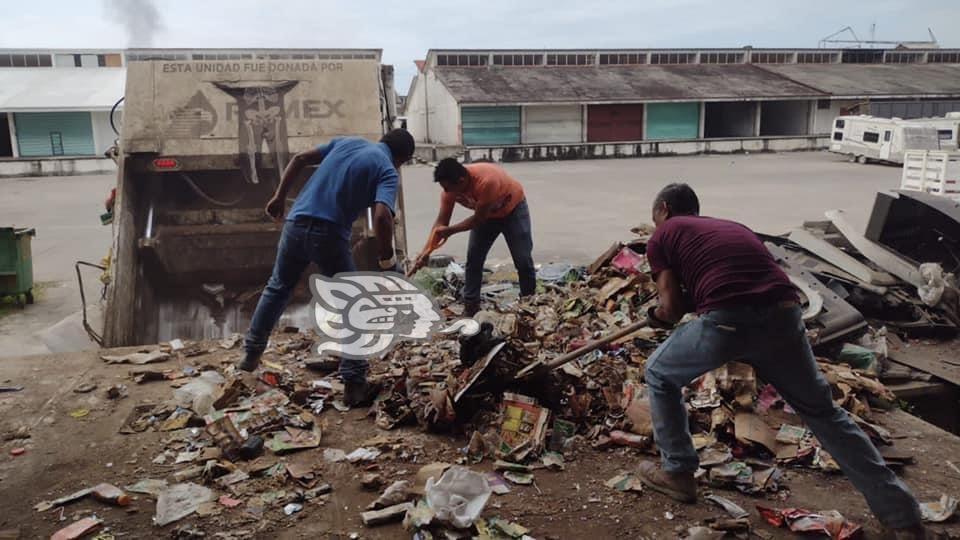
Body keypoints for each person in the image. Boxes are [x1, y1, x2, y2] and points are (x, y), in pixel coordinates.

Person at [637, 183, 925, 537]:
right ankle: (902, 516)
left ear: (664, 209)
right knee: (824, 413)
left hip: (729, 321)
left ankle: (678, 473)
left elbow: (672, 309)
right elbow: (741, 281)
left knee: (659, 373)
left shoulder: (664, 233)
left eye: (655, 219)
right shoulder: (733, 228)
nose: (655, 226)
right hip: (785, 316)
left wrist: (656, 314)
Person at [239, 129, 415, 406]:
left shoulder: (347, 142)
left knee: (277, 288)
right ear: (402, 159)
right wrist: (387, 262)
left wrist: (279, 197)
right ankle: (355, 384)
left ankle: (250, 357)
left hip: (295, 226)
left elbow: (299, 158)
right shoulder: (387, 169)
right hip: (329, 233)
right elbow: (382, 216)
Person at [414, 158, 535, 316]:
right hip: (487, 216)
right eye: (444, 188)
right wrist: (425, 253)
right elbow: (441, 223)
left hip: (513, 210)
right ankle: (471, 306)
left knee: (522, 259)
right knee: (474, 259)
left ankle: (529, 302)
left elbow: (478, 219)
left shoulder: (487, 181)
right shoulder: (449, 191)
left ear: (462, 181)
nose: (446, 193)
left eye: (449, 188)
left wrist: (450, 231)